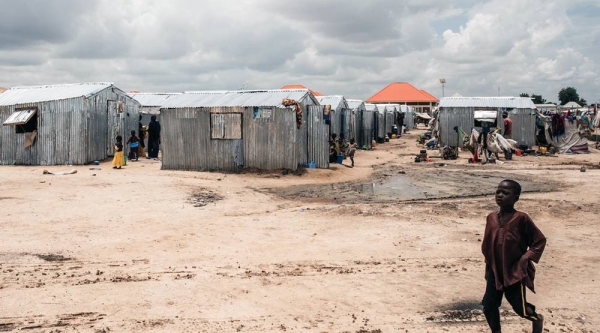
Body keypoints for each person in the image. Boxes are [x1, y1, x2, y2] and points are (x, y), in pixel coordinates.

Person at [481, 180, 546, 333]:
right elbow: (487, 246)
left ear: (516, 198)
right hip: (495, 271)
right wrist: (487, 268)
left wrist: (526, 257)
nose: (500, 195)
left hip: (514, 272)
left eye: (506, 193)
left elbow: (539, 240)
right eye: (498, 192)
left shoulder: (521, 218)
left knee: (520, 308)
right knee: (489, 306)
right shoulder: (491, 218)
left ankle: (537, 319)